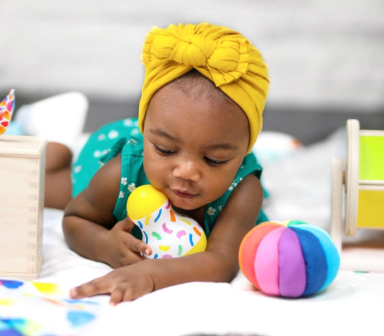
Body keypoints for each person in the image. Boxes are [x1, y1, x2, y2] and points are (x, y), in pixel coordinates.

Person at [44, 23, 270, 305]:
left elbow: (222, 262)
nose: (185, 172)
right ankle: (55, 142)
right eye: (164, 149)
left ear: (241, 152)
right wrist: (103, 244)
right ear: (147, 133)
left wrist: (150, 274)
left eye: (214, 159)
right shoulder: (120, 173)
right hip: (107, 158)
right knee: (45, 187)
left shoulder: (242, 189)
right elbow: (75, 219)